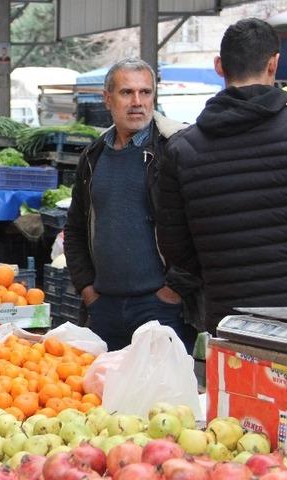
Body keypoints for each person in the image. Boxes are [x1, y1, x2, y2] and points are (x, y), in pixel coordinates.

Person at [156, 18, 287, 332]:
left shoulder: (182, 151)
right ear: (274, 63)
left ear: (219, 66)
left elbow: (177, 251)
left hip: (233, 326)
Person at [64, 58, 198, 352]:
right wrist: (88, 290)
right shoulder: (93, 156)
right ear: (107, 98)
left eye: (145, 92)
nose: (137, 102)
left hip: (160, 309)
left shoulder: (175, 149)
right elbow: (74, 229)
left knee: (163, 396)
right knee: (106, 395)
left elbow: (202, 225)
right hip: (104, 309)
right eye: (127, 93)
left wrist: (174, 289)